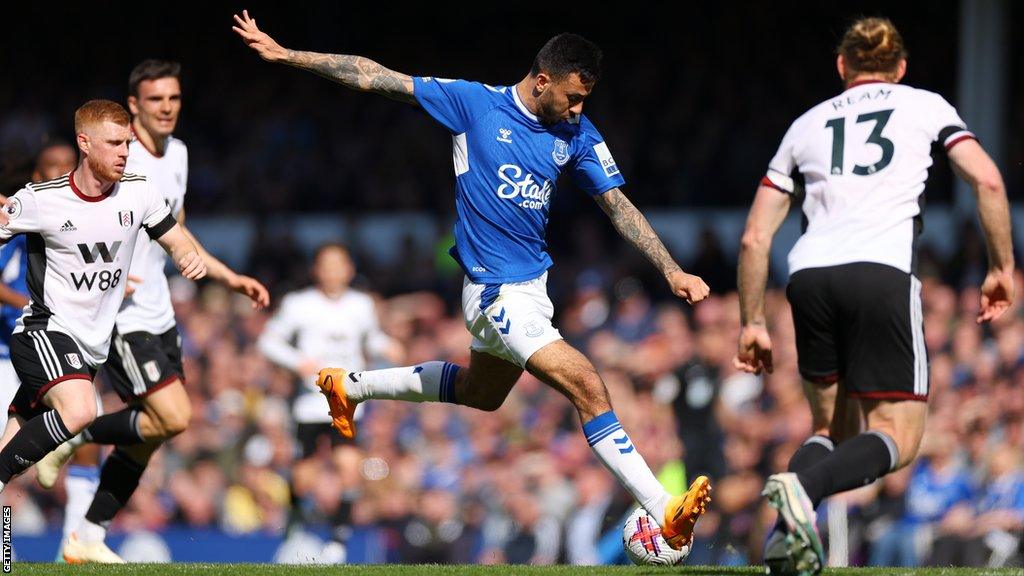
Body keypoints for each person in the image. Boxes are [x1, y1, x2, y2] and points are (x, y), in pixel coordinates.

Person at [234, 10, 712, 550]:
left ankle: (349, 385)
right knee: (587, 384)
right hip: (493, 290)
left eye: (585, 101)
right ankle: (663, 508)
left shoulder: (576, 132)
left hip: (534, 289)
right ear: (542, 80)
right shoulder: (474, 103)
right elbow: (375, 75)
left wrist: (671, 269)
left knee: (479, 394)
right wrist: (288, 55)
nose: (580, 110)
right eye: (573, 98)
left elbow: (616, 205)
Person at [733, 17, 1015, 574]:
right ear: (901, 67)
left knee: (828, 430)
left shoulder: (806, 124)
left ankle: (784, 542)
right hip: (880, 271)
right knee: (899, 436)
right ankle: (800, 490)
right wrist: (1001, 266)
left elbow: (754, 235)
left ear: (842, 66)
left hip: (809, 275)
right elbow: (987, 181)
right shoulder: (924, 104)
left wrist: (752, 322)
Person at [32, 61, 270, 563]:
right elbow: (75, 216)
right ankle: (67, 437)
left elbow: (175, 231)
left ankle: (89, 537)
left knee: (150, 435)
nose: (167, 108)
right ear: (134, 105)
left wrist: (229, 277)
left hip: (159, 309)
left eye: (174, 98)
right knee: (173, 416)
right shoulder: (117, 159)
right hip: (123, 314)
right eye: (156, 99)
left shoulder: (178, 155)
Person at [0, 99, 207, 563]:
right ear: (84, 142)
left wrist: (186, 255)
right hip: (44, 332)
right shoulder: (42, 200)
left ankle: (22, 547)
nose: (124, 152)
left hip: (90, 348)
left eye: (128, 143)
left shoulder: (139, 193)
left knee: (14, 441)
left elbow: (173, 237)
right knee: (80, 410)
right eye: (114, 143)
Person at [258, 242, 400, 557]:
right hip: (310, 402)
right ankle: (295, 528)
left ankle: (338, 539)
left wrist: (387, 345)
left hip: (348, 400)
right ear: (316, 270)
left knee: (349, 466)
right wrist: (298, 362)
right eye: (327, 264)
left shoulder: (362, 305)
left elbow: (371, 338)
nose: (333, 271)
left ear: (349, 269)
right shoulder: (299, 304)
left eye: (339, 264)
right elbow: (268, 341)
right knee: (304, 475)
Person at [0, 141, 103, 558]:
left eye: (68, 167)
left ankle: (72, 548)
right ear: (36, 179)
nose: (62, 174)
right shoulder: (18, 229)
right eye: (52, 169)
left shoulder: (78, 224)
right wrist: (28, 305)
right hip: (9, 355)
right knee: (8, 457)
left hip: (60, 348)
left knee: (88, 431)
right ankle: (4, 550)